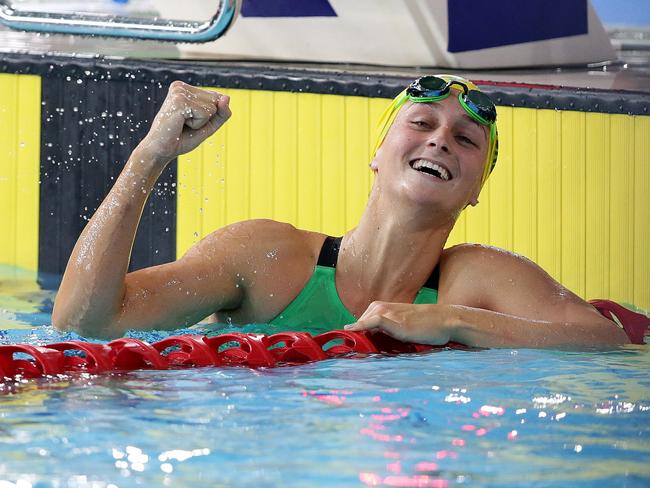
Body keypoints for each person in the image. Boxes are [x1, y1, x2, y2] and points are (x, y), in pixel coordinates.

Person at [52, 75, 637, 348]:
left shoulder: (476, 280)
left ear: (477, 188)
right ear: (377, 154)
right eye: (422, 123)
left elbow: (608, 345)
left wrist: (457, 322)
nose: (440, 141)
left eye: (466, 140)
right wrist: (149, 158)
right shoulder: (269, 257)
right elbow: (84, 325)